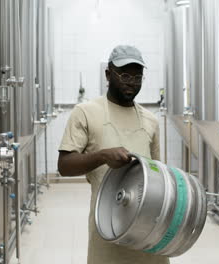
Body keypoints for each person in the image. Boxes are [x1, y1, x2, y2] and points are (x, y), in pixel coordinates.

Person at [57, 45, 169, 264]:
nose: (131, 82)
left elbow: (158, 175)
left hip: (148, 227)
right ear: (108, 74)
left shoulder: (150, 120)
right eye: (125, 74)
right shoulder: (86, 112)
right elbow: (64, 166)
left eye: (138, 77)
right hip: (108, 222)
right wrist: (102, 156)